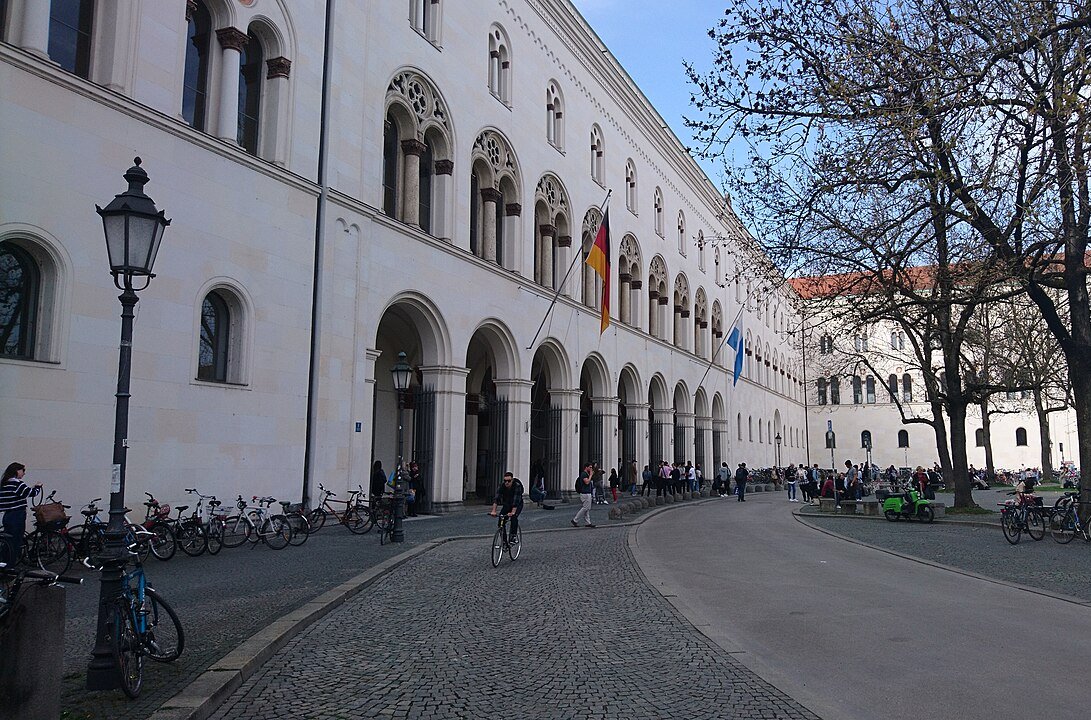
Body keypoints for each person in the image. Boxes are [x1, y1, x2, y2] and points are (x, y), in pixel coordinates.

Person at [1, 462, 41, 562]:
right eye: (23, 470)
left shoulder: (5, 483)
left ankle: (4, 563)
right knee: (15, 541)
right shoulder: (17, 483)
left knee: (8, 540)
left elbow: (18, 494)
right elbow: (31, 493)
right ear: (17, 471)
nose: (24, 473)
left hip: (7, 515)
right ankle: (10, 565)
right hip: (17, 515)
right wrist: (38, 487)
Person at [490, 471, 524, 541]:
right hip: (507, 504)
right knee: (501, 520)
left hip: (517, 504)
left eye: (509, 481)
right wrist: (493, 511)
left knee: (514, 517)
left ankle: (513, 536)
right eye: (505, 481)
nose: (507, 483)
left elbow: (516, 501)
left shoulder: (517, 486)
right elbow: (496, 498)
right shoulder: (502, 486)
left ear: (512, 480)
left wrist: (512, 512)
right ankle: (504, 541)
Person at [571, 463, 596, 528]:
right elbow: (587, 482)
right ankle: (575, 520)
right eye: (590, 467)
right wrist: (590, 475)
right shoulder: (584, 474)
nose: (591, 469)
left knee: (586, 509)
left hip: (587, 492)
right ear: (586, 467)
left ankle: (588, 522)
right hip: (585, 493)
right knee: (586, 508)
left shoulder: (586, 474)